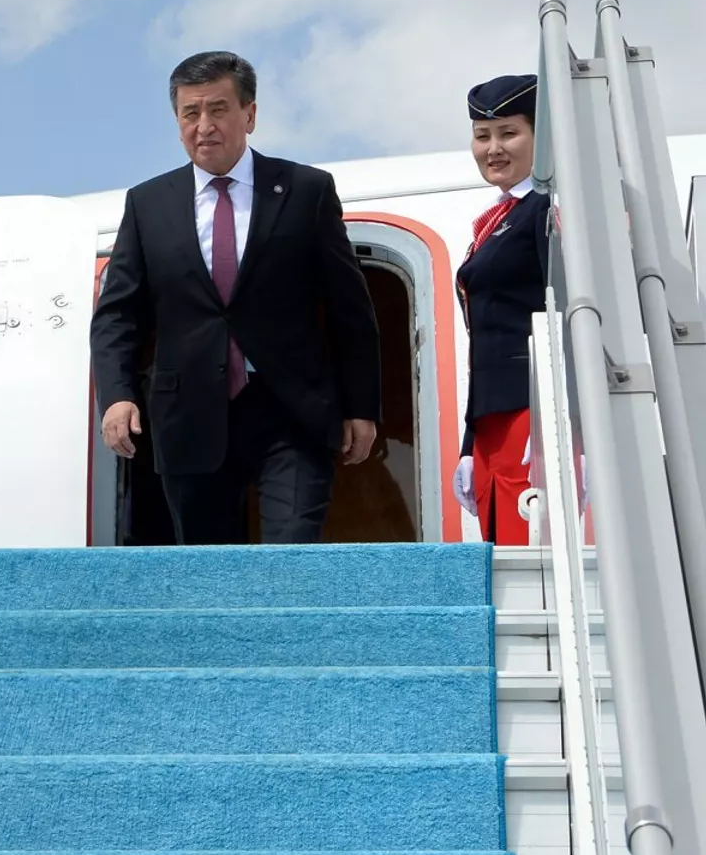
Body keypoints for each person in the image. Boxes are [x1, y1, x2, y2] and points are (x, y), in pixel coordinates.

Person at [90, 50, 382, 545]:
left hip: (292, 410)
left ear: (250, 114)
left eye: (218, 109)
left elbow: (349, 308)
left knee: (292, 555)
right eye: (190, 113)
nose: (204, 125)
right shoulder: (147, 204)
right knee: (210, 571)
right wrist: (117, 396)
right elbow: (117, 315)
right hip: (189, 413)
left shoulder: (305, 190)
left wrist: (362, 405)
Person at [451, 73, 549, 544]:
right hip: (493, 421)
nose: (493, 149)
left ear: (540, 136)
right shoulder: (499, 219)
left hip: (534, 411)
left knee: (532, 556)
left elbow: (572, 315)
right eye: (482, 136)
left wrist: (569, 424)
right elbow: (484, 342)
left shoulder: (546, 208)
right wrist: (471, 444)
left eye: (509, 133)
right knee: (503, 558)